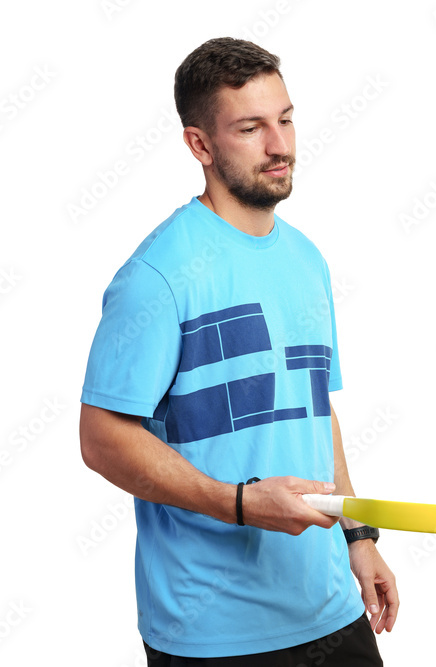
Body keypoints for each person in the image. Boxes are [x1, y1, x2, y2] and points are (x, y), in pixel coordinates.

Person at [78, 37, 398, 665]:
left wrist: (358, 536)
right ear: (200, 145)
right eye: (251, 128)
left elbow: (313, 408)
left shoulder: (306, 259)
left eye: (286, 120)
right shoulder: (157, 275)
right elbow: (102, 438)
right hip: (214, 631)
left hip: (330, 609)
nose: (280, 146)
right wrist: (241, 504)